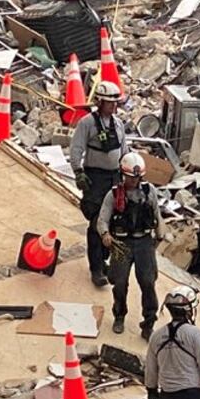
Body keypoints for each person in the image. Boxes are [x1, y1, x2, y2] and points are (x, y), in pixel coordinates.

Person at [97, 152, 163, 338]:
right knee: (119, 282)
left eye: (136, 178)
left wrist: (159, 237)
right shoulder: (113, 195)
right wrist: (105, 234)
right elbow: (102, 220)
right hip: (121, 243)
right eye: (129, 178)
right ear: (122, 175)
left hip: (143, 242)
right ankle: (119, 315)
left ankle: (149, 323)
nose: (133, 182)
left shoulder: (150, 192)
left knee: (148, 282)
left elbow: (157, 215)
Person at [69, 81, 129, 287]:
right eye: (110, 102)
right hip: (95, 179)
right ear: (100, 102)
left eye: (116, 103)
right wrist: (78, 172)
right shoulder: (87, 123)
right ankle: (96, 269)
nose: (114, 106)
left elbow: (124, 151)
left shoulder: (119, 124)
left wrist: (127, 174)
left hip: (114, 178)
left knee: (111, 222)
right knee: (96, 223)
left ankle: (104, 260)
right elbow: (76, 149)